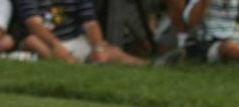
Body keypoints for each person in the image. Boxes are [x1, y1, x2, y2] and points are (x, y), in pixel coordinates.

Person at [14, 0, 147, 64]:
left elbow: (90, 22)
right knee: (33, 42)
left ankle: (150, 68)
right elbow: (33, 24)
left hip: (74, 39)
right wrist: (56, 46)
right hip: (45, 41)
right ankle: (76, 67)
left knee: (112, 52)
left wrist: (98, 47)